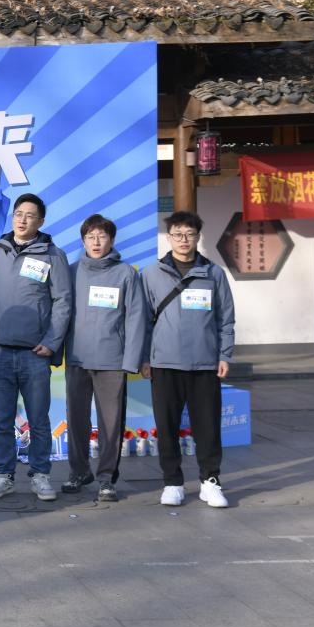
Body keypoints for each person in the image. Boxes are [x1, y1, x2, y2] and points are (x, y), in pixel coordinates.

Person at [0, 194, 73, 503]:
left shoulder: (52, 255)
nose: (22, 219)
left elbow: (63, 301)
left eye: (30, 215)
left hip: (34, 354)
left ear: (40, 221)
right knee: (1, 421)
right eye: (18, 213)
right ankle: (3, 475)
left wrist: (52, 342)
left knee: (39, 420)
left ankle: (40, 474)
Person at [142, 211, 235, 509]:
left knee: (208, 427)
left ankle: (211, 482)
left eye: (190, 234)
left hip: (204, 363)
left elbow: (225, 319)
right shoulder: (151, 274)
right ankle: (172, 483)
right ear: (169, 238)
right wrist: (145, 358)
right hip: (164, 363)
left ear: (198, 237)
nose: (184, 240)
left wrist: (224, 354)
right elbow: (143, 321)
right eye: (178, 234)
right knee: (166, 426)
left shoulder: (214, 273)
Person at [62, 214, 147, 503]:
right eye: (90, 237)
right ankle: (78, 471)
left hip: (113, 360)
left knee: (111, 423)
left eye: (102, 236)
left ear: (112, 240)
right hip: (77, 358)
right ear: (83, 241)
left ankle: (107, 478)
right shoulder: (71, 272)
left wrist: (131, 360)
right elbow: (61, 312)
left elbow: (136, 318)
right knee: (76, 419)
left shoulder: (126, 274)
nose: (96, 242)